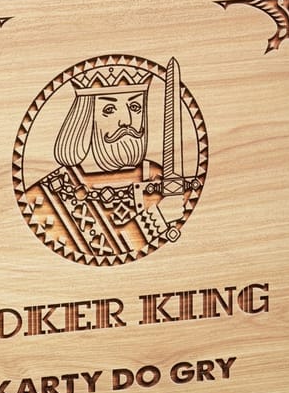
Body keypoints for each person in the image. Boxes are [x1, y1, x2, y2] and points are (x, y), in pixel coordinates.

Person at [24, 65, 181, 262]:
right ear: (84, 118)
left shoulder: (157, 177)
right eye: (110, 109)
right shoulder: (46, 195)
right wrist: (156, 218)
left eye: (135, 107)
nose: (126, 121)